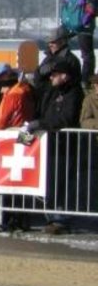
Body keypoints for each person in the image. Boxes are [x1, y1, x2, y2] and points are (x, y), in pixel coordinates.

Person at [24, 58, 85, 235]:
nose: (51, 77)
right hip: (51, 145)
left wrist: (41, 124)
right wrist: (36, 124)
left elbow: (66, 118)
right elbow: (46, 112)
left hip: (65, 146)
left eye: (55, 74)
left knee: (62, 183)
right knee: (51, 182)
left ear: (65, 76)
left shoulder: (74, 93)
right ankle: (52, 216)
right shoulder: (54, 92)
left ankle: (60, 219)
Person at [61, 0, 98, 82]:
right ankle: (64, 74)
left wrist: (84, 21)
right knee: (58, 44)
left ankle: (86, 80)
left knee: (87, 55)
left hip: (84, 26)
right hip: (70, 25)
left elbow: (93, 8)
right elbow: (65, 7)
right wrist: (65, 21)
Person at [35, 27, 81, 110]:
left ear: (63, 41)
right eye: (49, 42)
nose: (50, 44)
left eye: (53, 42)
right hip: (44, 100)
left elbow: (74, 83)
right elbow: (38, 76)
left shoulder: (71, 60)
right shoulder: (48, 58)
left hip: (59, 103)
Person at [0, 65, 34, 131]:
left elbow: (1, 120)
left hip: (13, 131)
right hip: (24, 129)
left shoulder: (13, 94)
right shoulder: (25, 89)